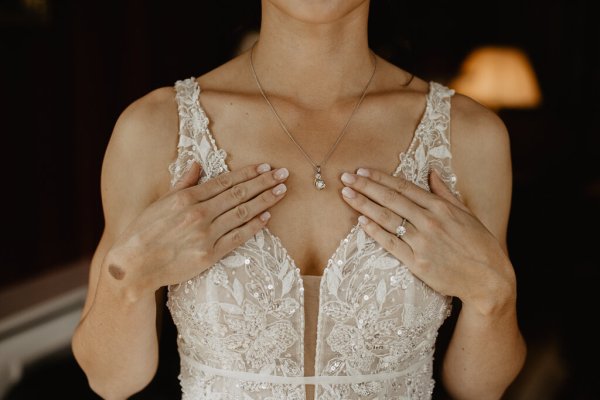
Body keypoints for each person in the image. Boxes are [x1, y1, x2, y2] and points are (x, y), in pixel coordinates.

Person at [71, 1, 526, 399]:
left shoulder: (469, 137)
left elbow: (480, 388)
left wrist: (495, 294)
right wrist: (126, 280)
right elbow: (111, 382)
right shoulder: (155, 128)